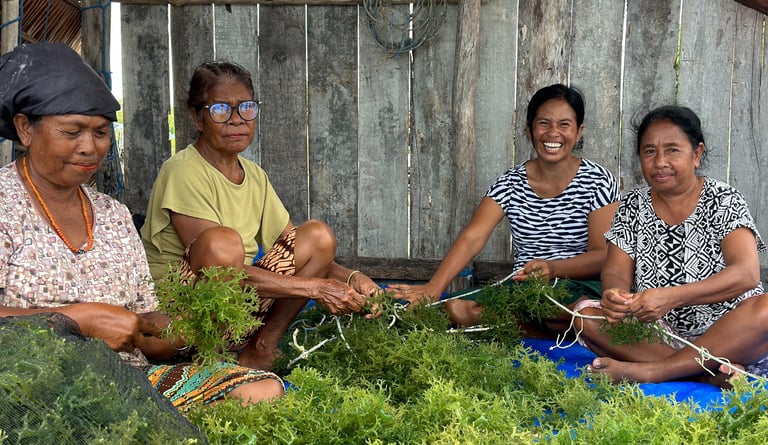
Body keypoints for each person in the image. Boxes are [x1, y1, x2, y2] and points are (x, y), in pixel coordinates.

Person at [0, 42, 284, 412]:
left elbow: (146, 332)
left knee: (259, 390)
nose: (89, 147)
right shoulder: (6, 204)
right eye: (72, 132)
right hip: (30, 385)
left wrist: (178, 334)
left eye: (101, 133)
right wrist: (78, 319)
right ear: (25, 129)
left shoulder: (114, 216)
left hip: (127, 382)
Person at [140, 60, 381, 371]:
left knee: (318, 237)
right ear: (196, 118)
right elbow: (217, 270)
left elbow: (303, 251)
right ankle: (207, 359)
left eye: (246, 108)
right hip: (181, 315)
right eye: (220, 110)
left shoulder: (254, 176)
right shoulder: (182, 171)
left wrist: (352, 279)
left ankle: (261, 348)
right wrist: (315, 289)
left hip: (234, 310)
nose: (237, 120)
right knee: (222, 243)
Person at [390, 84, 621, 336]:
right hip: (526, 288)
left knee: (573, 310)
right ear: (529, 129)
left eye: (564, 125)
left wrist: (553, 268)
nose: (553, 133)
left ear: (578, 132)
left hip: (579, 286)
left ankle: (548, 323)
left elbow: (603, 255)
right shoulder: (510, 182)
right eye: (544, 123)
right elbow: (472, 238)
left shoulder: (598, 179)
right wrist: (433, 288)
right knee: (457, 308)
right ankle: (549, 328)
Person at [575, 105, 768, 385]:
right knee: (586, 315)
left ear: (697, 154)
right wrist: (614, 293)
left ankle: (654, 371)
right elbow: (616, 269)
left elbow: (747, 274)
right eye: (649, 151)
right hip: (661, 335)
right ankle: (706, 374)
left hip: (730, 333)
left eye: (672, 150)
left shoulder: (724, 199)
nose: (660, 161)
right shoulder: (632, 205)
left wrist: (671, 297)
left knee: (765, 310)